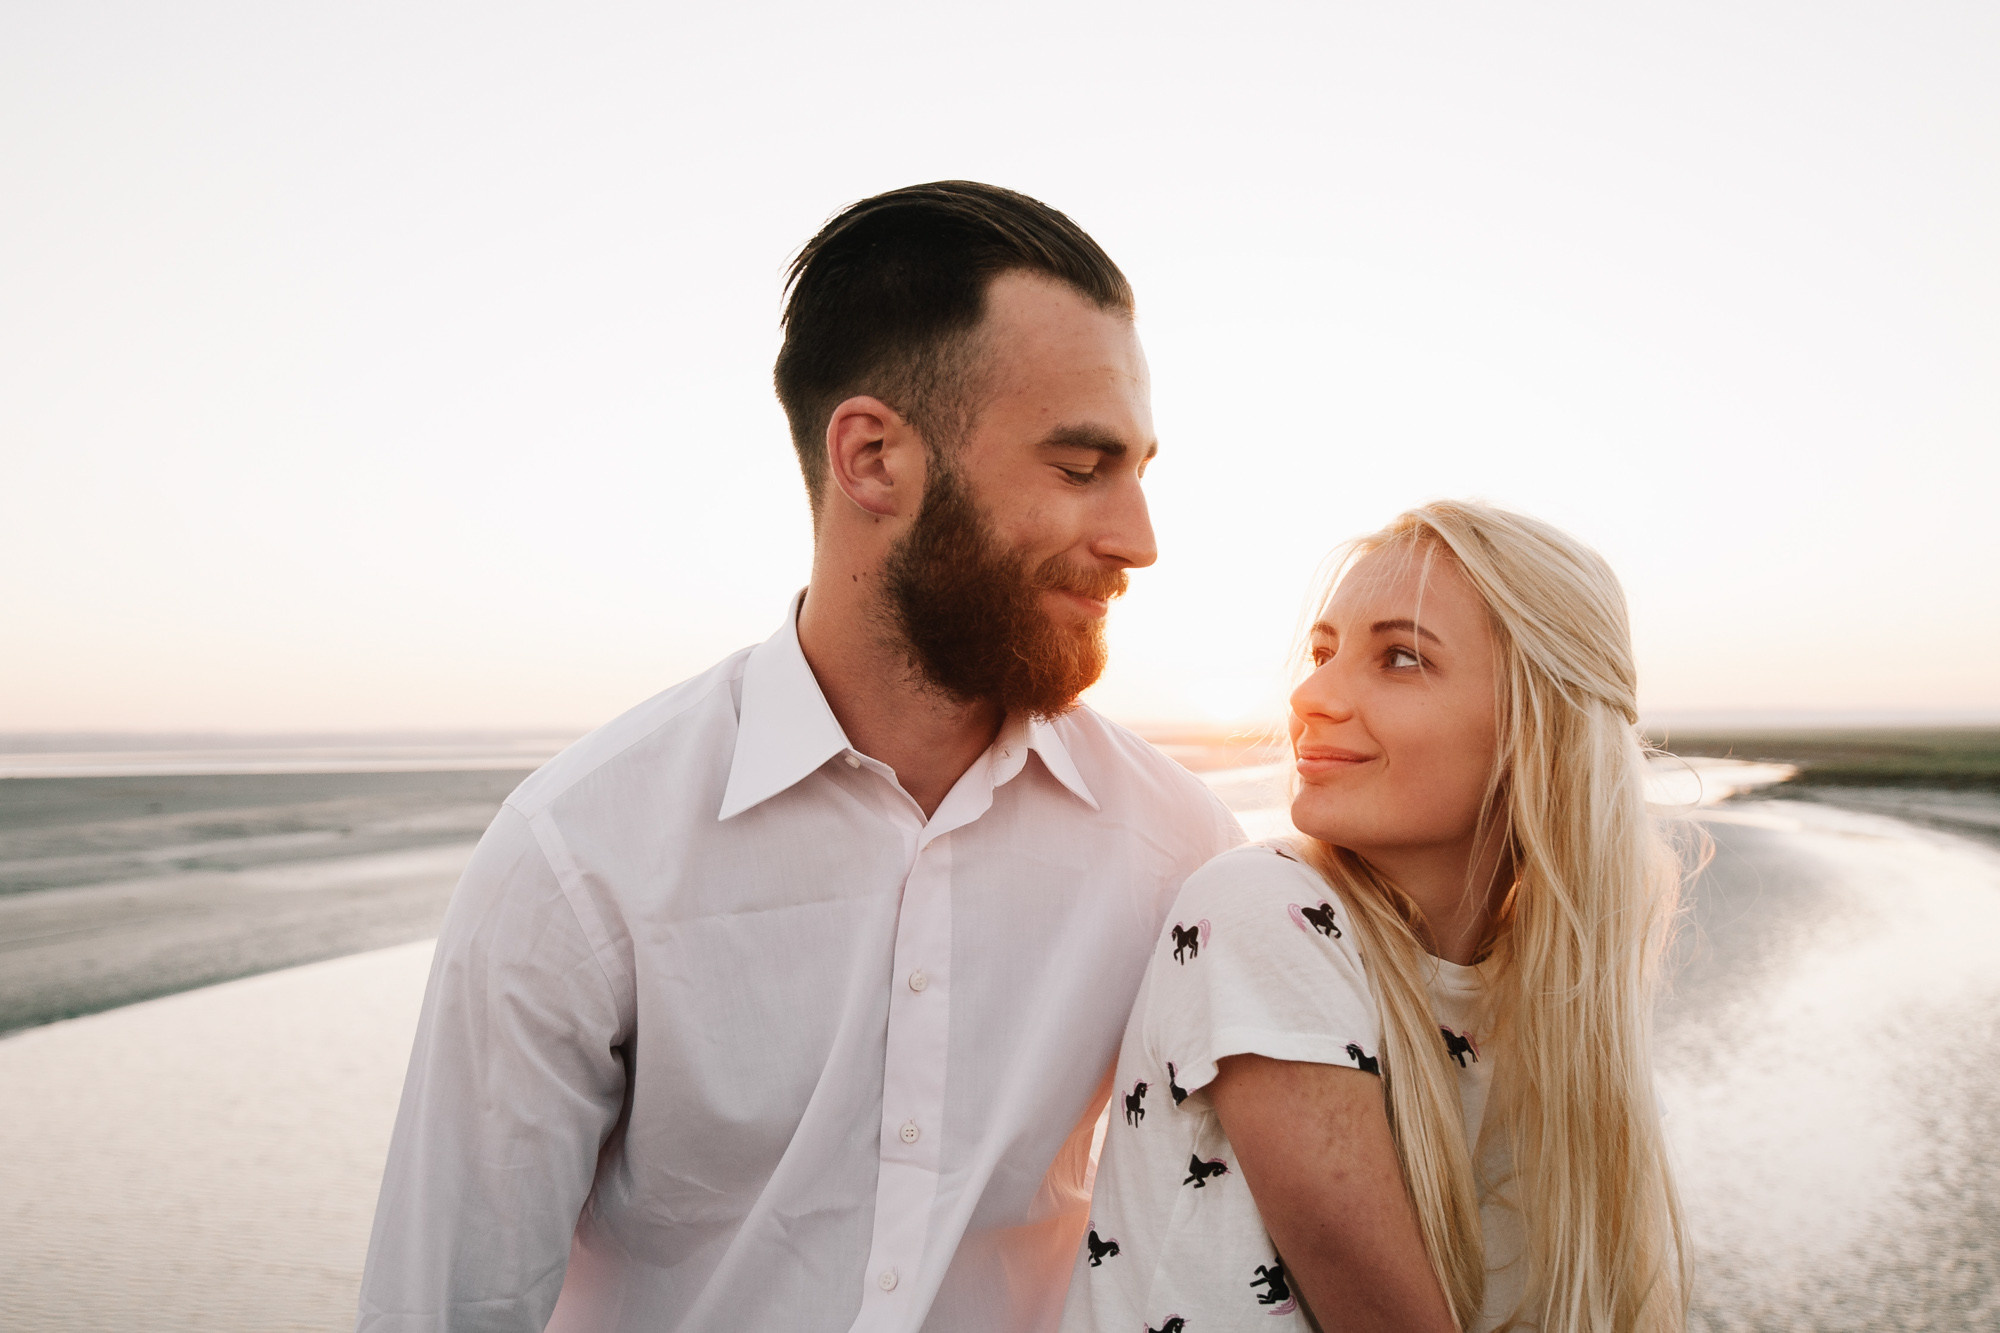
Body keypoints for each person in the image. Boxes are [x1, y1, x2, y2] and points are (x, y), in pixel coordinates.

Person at [355, 182, 1241, 1332]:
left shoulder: (1179, 852)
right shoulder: (578, 854)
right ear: (872, 457)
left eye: (1138, 470)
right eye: (1080, 468)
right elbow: (447, 1307)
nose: (1138, 538)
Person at [1062, 501, 1690, 1333]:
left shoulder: (1543, 990)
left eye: (1400, 657)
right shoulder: (1264, 908)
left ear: (1535, 725)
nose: (1312, 693)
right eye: (1323, 651)